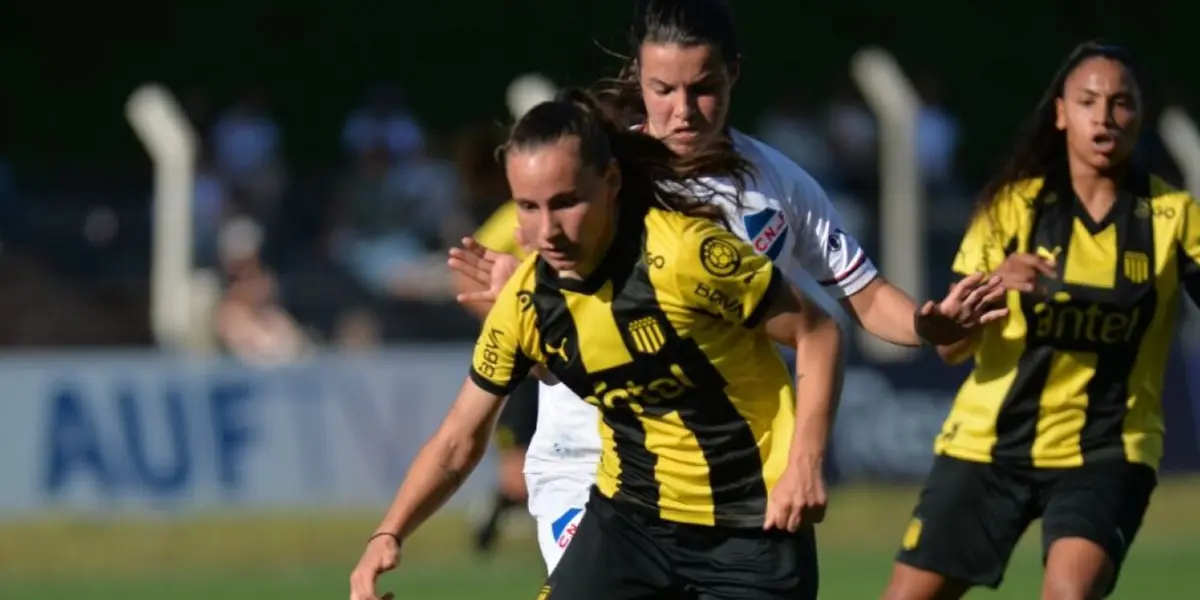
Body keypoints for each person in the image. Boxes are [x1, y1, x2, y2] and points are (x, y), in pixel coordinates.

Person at [447, 0, 1008, 574]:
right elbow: (537, 315)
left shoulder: (779, 188)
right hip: (587, 465)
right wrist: (522, 307)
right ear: (639, 79)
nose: (682, 111)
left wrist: (924, 323)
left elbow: (864, 298)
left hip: (722, 479)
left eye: (703, 88)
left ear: (734, 73)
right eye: (663, 89)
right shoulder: (592, 175)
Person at [352, 89, 846, 600]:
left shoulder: (687, 255)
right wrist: (387, 535)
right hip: (630, 524)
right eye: (528, 207)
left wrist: (804, 463)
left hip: (751, 528)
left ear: (611, 183)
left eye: (566, 203)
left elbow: (818, 331)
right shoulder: (525, 303)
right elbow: (458, 439)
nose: (548, 231)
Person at [881, 40, 1200, 600]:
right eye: (1088, 101)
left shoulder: (1174, 217)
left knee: (1068, 595)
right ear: (1060, 113)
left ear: (1140, 115)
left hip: (1107, 450)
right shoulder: (1009, 210)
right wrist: (993, 286)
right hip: (986, 447)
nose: (1104, 117)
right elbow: (949, 350)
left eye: (1121, 102)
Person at [459, 200, 541, 553]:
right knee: (519, 477)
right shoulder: (515, 214)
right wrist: (506, 320)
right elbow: (464, 271)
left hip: (571, 358)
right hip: (525, 366)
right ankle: (497, 505)